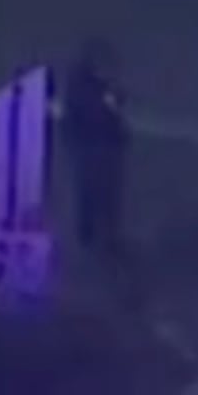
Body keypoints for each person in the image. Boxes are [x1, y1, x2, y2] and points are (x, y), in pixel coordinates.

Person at [59, 38, 131, 257]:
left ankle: (98, 236)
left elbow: (112, 107)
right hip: (95, 147)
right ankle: (95, 237)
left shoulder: (91, 86)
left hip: (97, 147)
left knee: (98, 195)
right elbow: (102, 112)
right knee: (96, 194)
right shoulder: (85, 88)